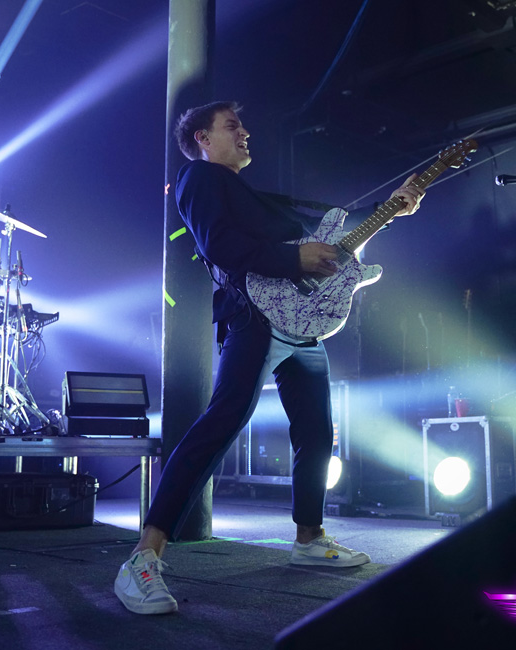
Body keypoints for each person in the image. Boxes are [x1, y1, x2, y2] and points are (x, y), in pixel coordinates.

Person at [113, 101, 425, 615]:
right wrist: (292, 257)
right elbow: (219, 246)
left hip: (300, 322)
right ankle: (142, 560)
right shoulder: (198, 177)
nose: (246, 133)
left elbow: (329, 249)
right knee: (222, 422)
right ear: (203, 140)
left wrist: (390, 212)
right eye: (232, 126)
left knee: (317, 431)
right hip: (256, 316)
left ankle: (309, 538)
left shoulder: (257, 196)